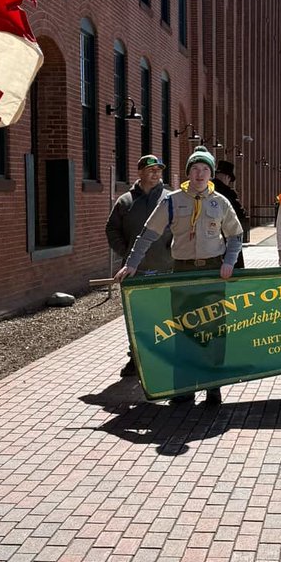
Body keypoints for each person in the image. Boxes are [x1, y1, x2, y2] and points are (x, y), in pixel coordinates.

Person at [116, 147, 244, 404]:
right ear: (188, 172)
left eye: (205, 169)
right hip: (183, 271)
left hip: (212, 271)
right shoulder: (172, 201)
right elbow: (148, 234)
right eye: (195, 169)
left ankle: (213, 386)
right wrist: (131, 264)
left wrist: (229, 262)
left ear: (211, 173)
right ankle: (184, 388)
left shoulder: (220, 201)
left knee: (214, 330)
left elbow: (235, 235)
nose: (200, 174)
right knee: (184, 328)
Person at [105, 154, 172, 376]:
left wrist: (171, 250)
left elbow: (181, 228)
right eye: (151, 169)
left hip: (164, 268)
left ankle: (161, 358)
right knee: (137, 317)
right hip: (134, 271)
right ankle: (136, 358)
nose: (155, 173)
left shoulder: (169, 199)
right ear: (140, 172)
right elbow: (111, 229)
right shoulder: (125, 201)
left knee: (163, 316)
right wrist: (126, 251)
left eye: (158, 170)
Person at [212, 160, 248, 269]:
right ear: (226, 177)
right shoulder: (228, 193)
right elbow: (240, 214)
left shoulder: (207, 190)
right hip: (228, 237)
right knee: (233, 267)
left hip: (211, 240)